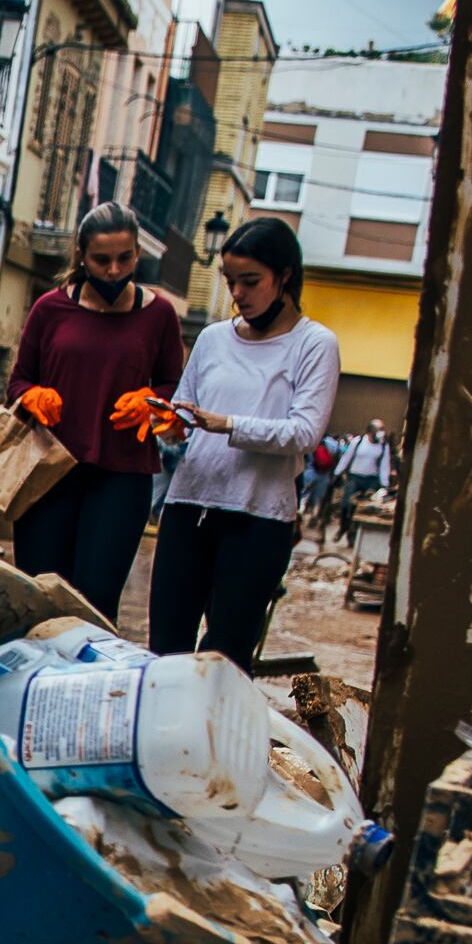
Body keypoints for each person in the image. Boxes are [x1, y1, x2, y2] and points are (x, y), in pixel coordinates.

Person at [149, 215, 339, 662]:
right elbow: (186, 410)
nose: (237, 294)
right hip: (187, 507)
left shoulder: (315, 344)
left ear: (285, 276)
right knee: (165, 651)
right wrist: (169, 425)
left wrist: (227, 424)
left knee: (227, 658)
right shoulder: (213, 339)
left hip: (258, 519)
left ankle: (216, 734)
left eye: (250, 281)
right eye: (230, 281)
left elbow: (305, 433)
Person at [3, 201, 182, 620]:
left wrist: (154, 403)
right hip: (48, 471)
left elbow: (172, 383)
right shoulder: (50, 308)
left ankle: (86, 685)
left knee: (96, 603)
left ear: (137, 255)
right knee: (39, 594)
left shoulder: (159, 315)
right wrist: (32, 397)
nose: (114, 271)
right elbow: (18, 380)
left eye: (125, 258)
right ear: (81, 256)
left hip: (123, 476)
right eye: (102, 260)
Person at [333, 416, 393, 535]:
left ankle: (353, 534)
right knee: (346, 505)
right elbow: (346, 458)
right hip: (354, 478)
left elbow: (384, 466)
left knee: (363, 509)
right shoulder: (358, 441)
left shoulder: (383, 446)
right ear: (370, 432)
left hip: (371, 480)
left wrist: (385, 485)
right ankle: (343, 527)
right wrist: (337, 472)